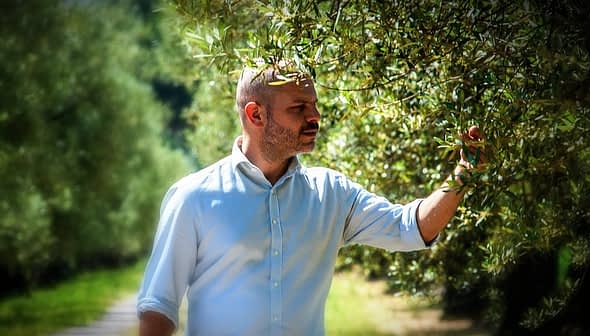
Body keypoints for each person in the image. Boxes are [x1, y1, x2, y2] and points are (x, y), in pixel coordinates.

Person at [136, 62, 486, 336]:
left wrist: (463, 173)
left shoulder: (331, 193)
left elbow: (410, 227)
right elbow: (159, 307)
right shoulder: (194, 197)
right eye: (299, 108)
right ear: (256, 114)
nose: (315, 117)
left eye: (315, 105)